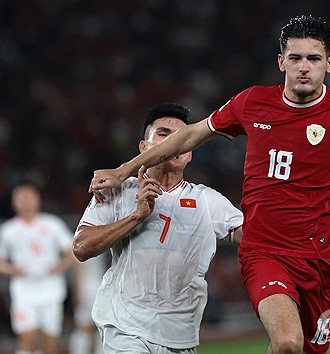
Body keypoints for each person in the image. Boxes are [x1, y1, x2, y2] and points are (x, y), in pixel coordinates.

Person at [89, 15, 330, 354]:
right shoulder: (253, 102)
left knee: (307, 349)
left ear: (329, 63)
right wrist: (124, 170)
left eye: (313, 58)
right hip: (265, 251)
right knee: (287, 342)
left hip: (322, 257)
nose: (303, 67)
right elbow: (190, 134)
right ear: (281, 62)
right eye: (295, 58)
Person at [73, 102, 244, 354]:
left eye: (180, 139)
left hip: (180, 334)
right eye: (163, 135)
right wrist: (136, 216)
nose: (172, 144)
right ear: (144, 148)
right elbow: (81, 247)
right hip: (124, 326)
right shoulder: (118, 190)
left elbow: (259, 241)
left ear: (190, 151)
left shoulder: (209, 202)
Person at [0, 182, 75, 354]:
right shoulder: (8, 230)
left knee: (50, 344)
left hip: (51, 290)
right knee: (27, 339)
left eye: (29, 196)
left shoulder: (52, 225)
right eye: (21, 197)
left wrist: (61, 266)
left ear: (38, 199)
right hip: (24, 291)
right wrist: (13, 270)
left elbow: (72, 251)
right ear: (14, 202)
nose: (25, 201)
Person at [68, 252, 107, 354]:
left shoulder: (106, 242)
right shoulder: (81, 241)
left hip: (103, 287)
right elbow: (77, 269)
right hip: (85, 289)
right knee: (83, 327)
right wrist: (77, 292)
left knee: (102, 328)